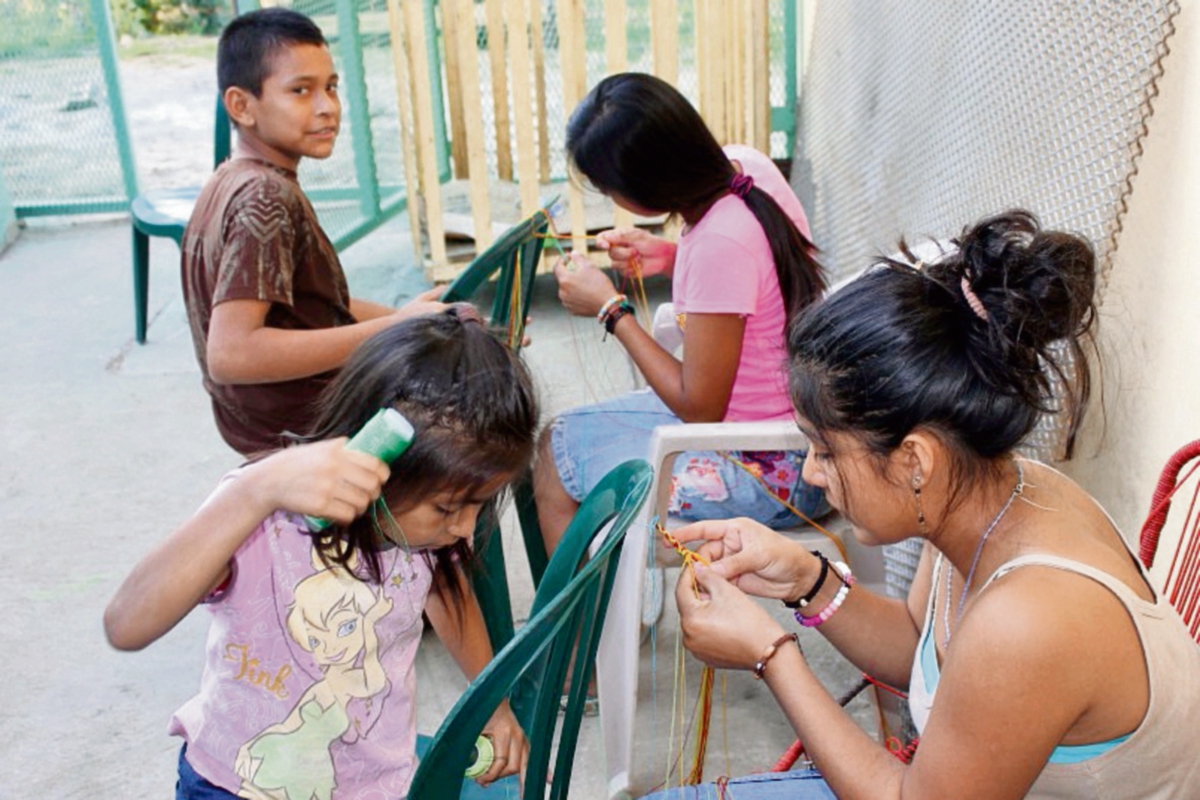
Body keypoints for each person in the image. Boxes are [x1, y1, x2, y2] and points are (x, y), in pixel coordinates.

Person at [646, 210, 1200, 799]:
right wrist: (806, 581)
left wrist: (771, 655)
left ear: (915, 461)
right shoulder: (988, 493)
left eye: (825, 451)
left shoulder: (1029, 620)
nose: (811, 471)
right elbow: (920, 645)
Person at [104, 308, 540, 799]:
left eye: (476, 509)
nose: (462, 530)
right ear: (383, 458)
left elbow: (445, 590)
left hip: (372, 784)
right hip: (239, 785)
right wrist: (252, 493)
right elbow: (126, 623)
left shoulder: (424, 535)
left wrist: (492, 703)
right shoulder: (266, 518)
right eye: (448, 508)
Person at [534, 72, 830, 564]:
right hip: (802, 440)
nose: (613, 200)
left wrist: (610, 309)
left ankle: (589, 636)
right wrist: (672, 257)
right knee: (560, 440)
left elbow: (700, 408)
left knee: (557, 459)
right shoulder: (746, 169)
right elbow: (758, 280)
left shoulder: (719, 241)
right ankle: (607, 620)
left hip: (771, 472)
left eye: (610, 188)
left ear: (646, 186)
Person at [182, 7, 445, 456]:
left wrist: (407, 321)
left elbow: (318, 308)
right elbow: (231, 355)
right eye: (301, 91)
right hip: (303, 431)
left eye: (331, 88)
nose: (328, 108)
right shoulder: (265, 198)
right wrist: (390, 332)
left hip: (272, 424)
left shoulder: (232, 177)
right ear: (242, 105)